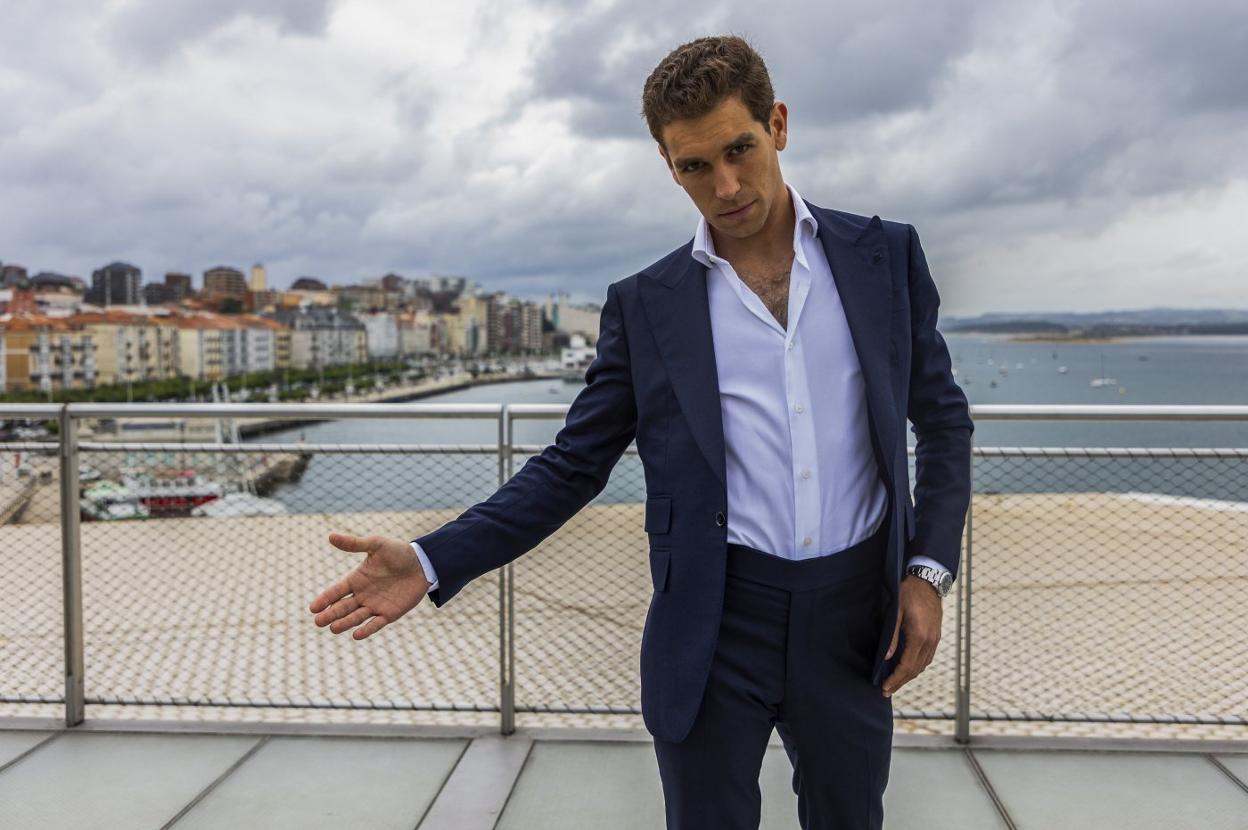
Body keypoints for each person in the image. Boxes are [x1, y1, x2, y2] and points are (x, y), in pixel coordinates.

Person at [309, 34, 972, 830]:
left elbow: (941, 421)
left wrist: (925, 574)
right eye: (696, 166)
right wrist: (431, 556)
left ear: (780, 126)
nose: (726, 186)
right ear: (669, 165)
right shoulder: (647, 305)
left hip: (855, 615)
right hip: (715, 623)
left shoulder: (883, 258)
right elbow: (572, 466)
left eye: (740, 149)